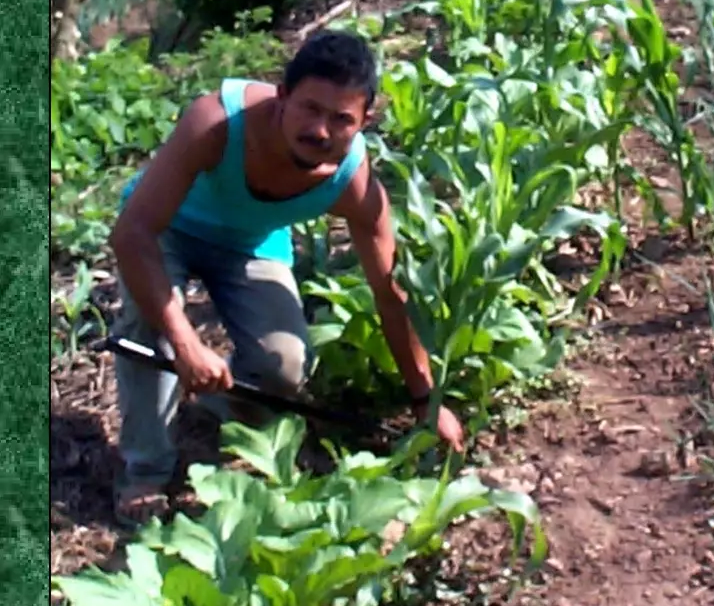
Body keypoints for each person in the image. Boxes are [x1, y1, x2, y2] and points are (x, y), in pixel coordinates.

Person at [107, 28, 464, 523]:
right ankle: (145, 470)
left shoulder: (353, 185)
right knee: (152, 333)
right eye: (310, 109)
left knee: (284, 366)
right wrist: (186, 342)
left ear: (365, 122)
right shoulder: (217, 123)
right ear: (282, 95)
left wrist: (426, 399)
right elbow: (133, 234)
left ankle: (218, 407)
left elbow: (389, 291)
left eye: (341, 119)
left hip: (251, 242)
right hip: (168, 229)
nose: (320, 130)